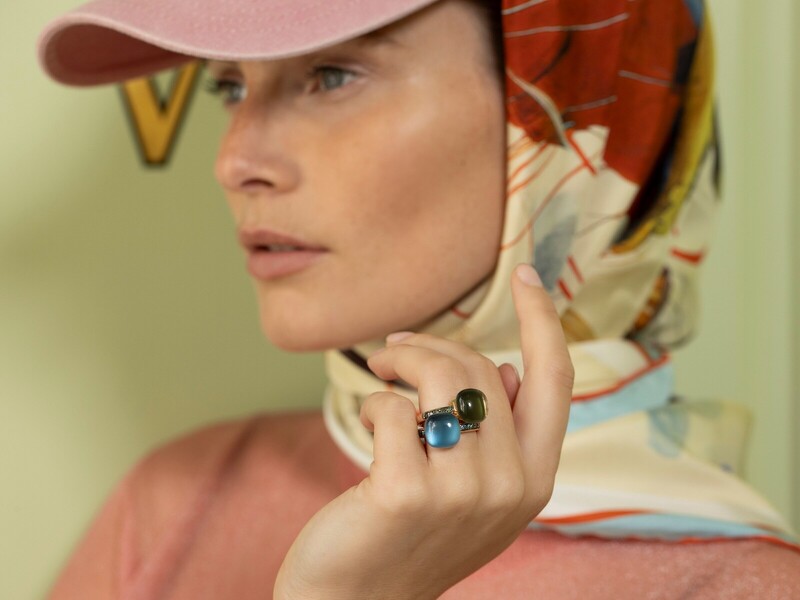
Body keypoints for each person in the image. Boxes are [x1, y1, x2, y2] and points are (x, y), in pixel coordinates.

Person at [36, 0, 800, 598]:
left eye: (332, 75)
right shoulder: (174, 506)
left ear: (573, 112)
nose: (234, 160)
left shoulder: (743, 587)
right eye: (229, 86)